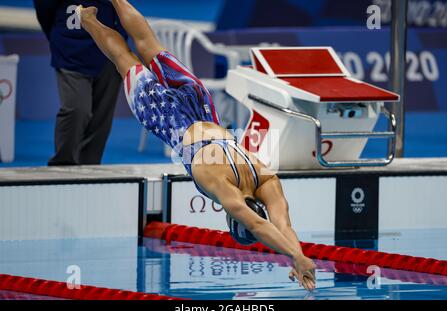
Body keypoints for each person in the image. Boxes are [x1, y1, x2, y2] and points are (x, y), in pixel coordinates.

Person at [77, 0, 316, 291]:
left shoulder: (265, 177)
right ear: (231, 220)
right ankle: (87, 19)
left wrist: (300, 257)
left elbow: (282, 225)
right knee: (124, 59)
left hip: (201, 106)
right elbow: (258, 226)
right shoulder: (224, 192)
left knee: (148, 43)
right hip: (170, 119)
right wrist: (294, 256)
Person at [33, 0, 127, 165]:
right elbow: (44, 11)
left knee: (101, 118)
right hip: (70, 52)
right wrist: (59, 39)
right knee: (77, 109)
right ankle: (62, 166)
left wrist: (120, 45)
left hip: (109, 53)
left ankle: (90, 168)